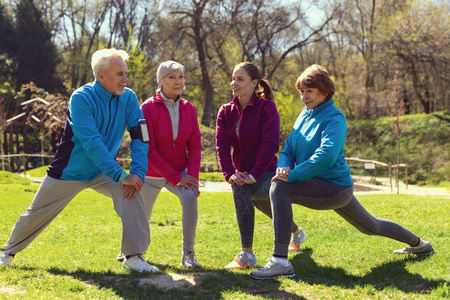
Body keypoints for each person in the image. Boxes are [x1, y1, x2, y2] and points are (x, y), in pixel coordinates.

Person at [250, 64, 434, 280]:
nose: (304, 96)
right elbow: (289, 147)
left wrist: (292, 175)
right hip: (319, 185)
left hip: (335, 189)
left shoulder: (335, 118)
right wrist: (284, 165)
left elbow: (326, 155)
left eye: (309, 91)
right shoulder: (304, 115)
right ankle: (421, 245)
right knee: (371, 226)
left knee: (279, 187)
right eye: (301, 91)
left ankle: (280, 262)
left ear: (324, 91)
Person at [0, 48, 159, 273]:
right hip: (68, 172)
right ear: (101, 75)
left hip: (103, 172)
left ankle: (133, 257)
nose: (126, 79)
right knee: (35, 213)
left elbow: (140, 137)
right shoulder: (81, 98)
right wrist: (121, 176)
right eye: (120, 74)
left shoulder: (129, 97)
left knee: (132, 194)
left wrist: (137, 175)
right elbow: (92, 142)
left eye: (126, 73)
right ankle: (7, 253)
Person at [216, 62, 307, 270]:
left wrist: (255, 175)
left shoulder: (267, 108)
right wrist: (229, 174)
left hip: (266, 174)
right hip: (242, 175)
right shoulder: (225, 111)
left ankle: (247, 255)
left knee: (244, 191)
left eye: (240, 79)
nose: (234, 83)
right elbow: (221, 146)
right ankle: (298, 234)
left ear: (254, 83)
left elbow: (271, 144)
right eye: (233, 78)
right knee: (268, 208)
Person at [134, 60, 202, 269]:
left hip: (180, 172)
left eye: (180, 77)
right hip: (151, 174)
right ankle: (132, 252)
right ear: (160, 82)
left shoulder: (189, 108)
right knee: (140, 214)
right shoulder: (147, 108)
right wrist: (177, 177)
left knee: (190, 197)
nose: (177, 81)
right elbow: (148, 150)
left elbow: (195, 146)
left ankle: (188, 254)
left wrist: (191, 177)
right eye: (171, 77)